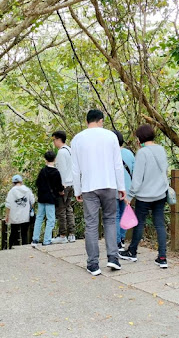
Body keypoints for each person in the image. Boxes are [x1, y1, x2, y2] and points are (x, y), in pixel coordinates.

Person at [71, 109, 125, 276]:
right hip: (109, 185)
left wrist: (77, 190)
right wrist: (121, 186)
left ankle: (93, 264)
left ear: (87, 121)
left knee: (91, 224)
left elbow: (75, 169)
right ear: (101, 120)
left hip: (89, 187)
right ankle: (113, 258)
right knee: (110, 221)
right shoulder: (111, 136)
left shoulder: (77, 139)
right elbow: (117, 164)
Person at [119, 124, 169, 268]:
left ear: (139, 138)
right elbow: (164, 170)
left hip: (144, 196)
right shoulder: (161, 150)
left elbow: (138, 178)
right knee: (159, 224)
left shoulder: (142, 153)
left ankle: (132, 252)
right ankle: (162, 257)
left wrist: (130, 195)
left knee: (139, 223)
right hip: (160, 194)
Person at [31, 151, 63, 247]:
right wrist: (61, 191)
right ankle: (46, 240)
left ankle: (35, 240)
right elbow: (59, 187)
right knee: (51, 219)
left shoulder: (42, 171)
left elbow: (37, 184)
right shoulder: (56, 172)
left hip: (41, 198)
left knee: (39, 218)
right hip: (51, 199)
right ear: (55, 159)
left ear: (45, 160)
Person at [51, 130, 76, 244]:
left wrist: (60, 188)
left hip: (64, 184)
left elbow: (61, 171)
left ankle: (62, 235)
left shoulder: (61, 152)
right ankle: (71, 234)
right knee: (69, 209)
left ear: (58, 139)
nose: (54, 143)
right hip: (71, 183)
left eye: (54, 140)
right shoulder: (70, 150)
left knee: (61, 210)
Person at [113, 130, 134, 252]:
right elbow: (135, 171)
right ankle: (121, 239)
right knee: (123, 214)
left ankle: (116, 242)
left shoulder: (110, 155)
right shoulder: (129, 154)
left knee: (115, 215)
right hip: (127, 190)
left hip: (114, 189)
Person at [5, 174, 35, 248]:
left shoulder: (11, 191)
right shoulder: (27, 190)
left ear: (13, 183)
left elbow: (8, 205)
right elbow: (32, 201)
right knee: (24, 234)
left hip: (14, 216)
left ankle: (11, 247)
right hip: (25, 216)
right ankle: (24, 248)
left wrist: (7, 216)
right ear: (21, 181)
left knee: (13, 233)